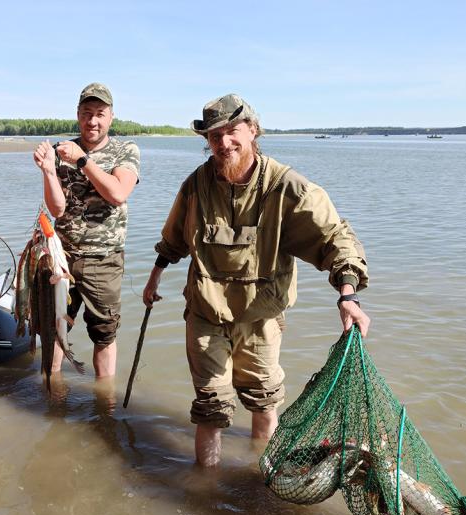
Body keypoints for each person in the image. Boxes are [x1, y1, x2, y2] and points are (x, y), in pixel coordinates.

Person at [143, 94, 370, 467]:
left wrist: (348, 295)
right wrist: (154, 277)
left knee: (264, 401)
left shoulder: (286, 186)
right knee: (211, 408)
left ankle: (258, 478)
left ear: (253, 130)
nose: (224, 143)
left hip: (262, 317)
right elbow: (173, 239)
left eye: (232, 131)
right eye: (214, 136)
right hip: (206, 313)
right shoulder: (196, 186)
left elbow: (336, 237)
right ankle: (207, 487)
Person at [32, 83, 140, 378]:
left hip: (103, 261)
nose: (93, 121)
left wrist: (82, 159)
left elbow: (118, 193)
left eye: (100, 114)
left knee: (104, 335)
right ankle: (52, 392)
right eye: (87, 113)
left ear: (111, 117)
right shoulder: (61, 151)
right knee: (54, 328)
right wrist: (49, 171)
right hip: (61, 259)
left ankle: (104, 404)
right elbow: (56, 209)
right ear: (78, 115)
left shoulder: (125, 150)